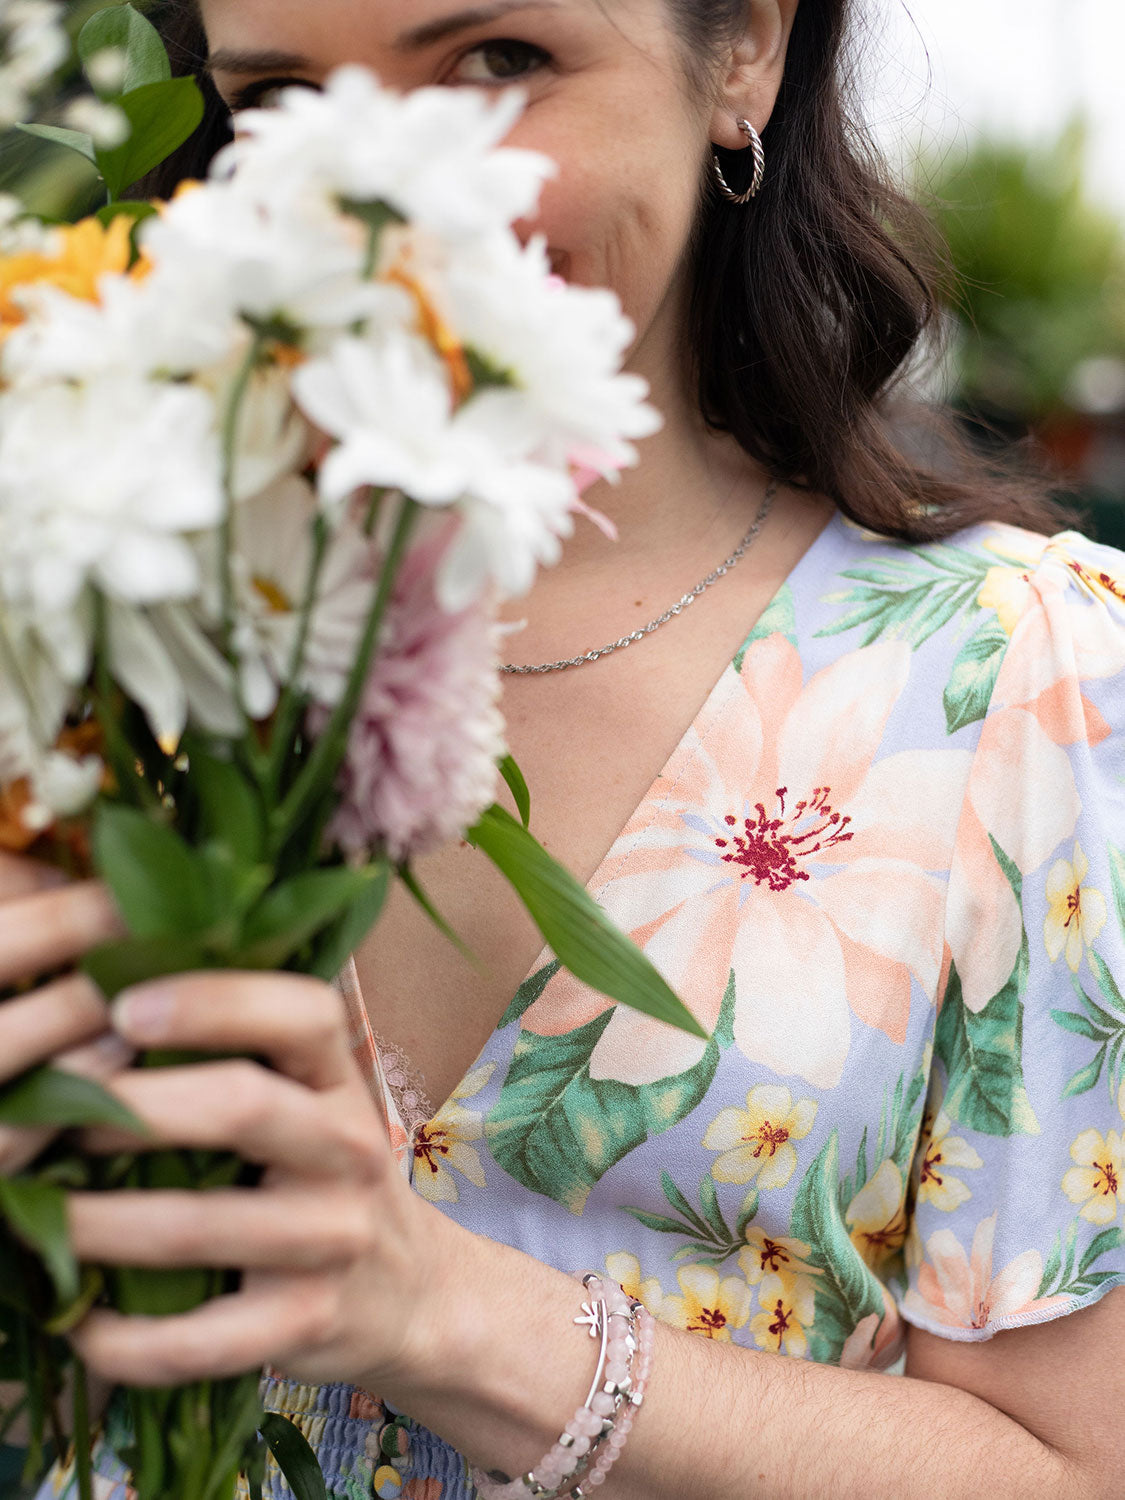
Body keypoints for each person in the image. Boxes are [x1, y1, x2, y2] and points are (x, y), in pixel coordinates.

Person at [5, 0, 1125, 1494]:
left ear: (741, 53)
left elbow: (1070, 1465)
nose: (379, 194)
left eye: (494, 63)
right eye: (278, 98)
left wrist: (449, 1319)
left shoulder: (1018, 676)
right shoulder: (95, 596)